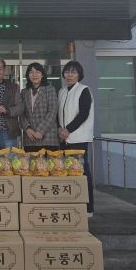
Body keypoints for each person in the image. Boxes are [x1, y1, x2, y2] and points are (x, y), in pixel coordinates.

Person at [57, 60, 95, 216]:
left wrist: (68, 129)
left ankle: (88, 208)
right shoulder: (62, 91)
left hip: (78, 138)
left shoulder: (84, 90)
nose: (70, 75)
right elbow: (59, 113)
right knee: (67, 171)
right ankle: (73, 204)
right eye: (67, 72)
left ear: (79, 74)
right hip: (64, 138)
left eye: (73, 72)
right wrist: (59, 129)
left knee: (82, 172)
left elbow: (83, 113)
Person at [20, 62, 59, 152]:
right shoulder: (24, 92)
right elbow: (21, 113)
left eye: (37, 72)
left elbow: (52, 112)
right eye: (31, 72)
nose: (34, 75)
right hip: (30, 138)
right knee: (31, 161)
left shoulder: (50, 89)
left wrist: (41, 131)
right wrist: (27, 129)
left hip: (48, 138)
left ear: (42, 75)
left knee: (50, 161)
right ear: (28, 75)